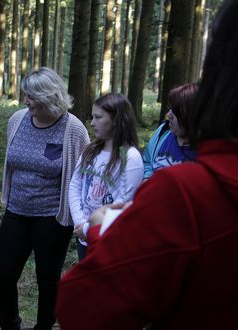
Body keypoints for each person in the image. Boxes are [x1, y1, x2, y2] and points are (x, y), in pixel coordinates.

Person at [56, 0, 238, 328]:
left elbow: (84, 307)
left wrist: (102, 228)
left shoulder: (187, 194)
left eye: (98, 117)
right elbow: (76, 183)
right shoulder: (156, 142)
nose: (168, 117)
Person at [0, 67, 90, 330]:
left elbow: (82, 177)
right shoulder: (17, 120)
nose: (26, 101)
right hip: (17, 210)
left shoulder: (73, 129)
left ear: (49, 96)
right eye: (26, 95)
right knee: (2, 274)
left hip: (52, 216)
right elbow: (12, 163)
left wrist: (81, 215)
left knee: (47, 279)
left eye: (31, 97)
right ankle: (11, 324)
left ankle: (44, 326)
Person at [69, 93, 143, 260]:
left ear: (116, 120)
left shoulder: (130, 158)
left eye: (98, 117)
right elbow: (75, 185)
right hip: (84, 237)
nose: (92, 123)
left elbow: (122, 202)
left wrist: (88, 228)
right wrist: (80, 223)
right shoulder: (90, 151)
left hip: (109, 239)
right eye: (92, 117)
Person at [143, 83, 198, 180]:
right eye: (170, 109)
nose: (168, 115)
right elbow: (147, 161)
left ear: (190, 116)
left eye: (175, 112)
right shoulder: (163, 131)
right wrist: (147, 180)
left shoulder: (205, 152)